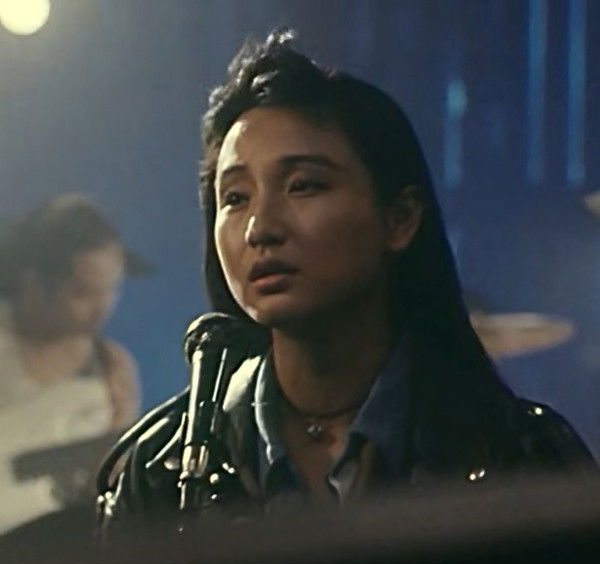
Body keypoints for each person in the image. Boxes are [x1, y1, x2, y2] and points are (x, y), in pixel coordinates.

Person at [97, 31, 594, 529]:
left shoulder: (519, 458)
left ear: (399, 218)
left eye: (303, 185)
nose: (260, 228)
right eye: (235, 198)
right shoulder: (163, 476)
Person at [0, 194, 142, 533]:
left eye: (111, 290)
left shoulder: (113, 369)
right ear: (32, 283)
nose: (102, 307)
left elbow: (116, 475)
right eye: (82, 292)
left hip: (59, 546)